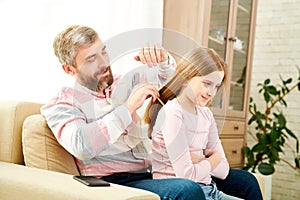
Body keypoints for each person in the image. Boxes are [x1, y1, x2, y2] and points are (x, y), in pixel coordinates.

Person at [41, 25, 262, 200]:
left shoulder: (127, 80)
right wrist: (127, 109)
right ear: (69, 69)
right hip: (118, 181)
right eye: (91, 59)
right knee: (186, 190)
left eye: (104, 52)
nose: (104, 63)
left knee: (245, 181)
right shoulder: (62, 103)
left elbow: (179, 88)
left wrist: (164, 61)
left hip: (159, 169)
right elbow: (82, 145)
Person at [144, 47, 263, 200]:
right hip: (185, 192)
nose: (211, 93)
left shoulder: (206, 114)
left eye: (216, 86)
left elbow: (224, 170)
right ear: (187, 76)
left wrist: (197, 159)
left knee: (248, 183)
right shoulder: (172, 112)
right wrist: (212, 159)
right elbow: (187, 175)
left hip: (211, 191)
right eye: (207, 83)